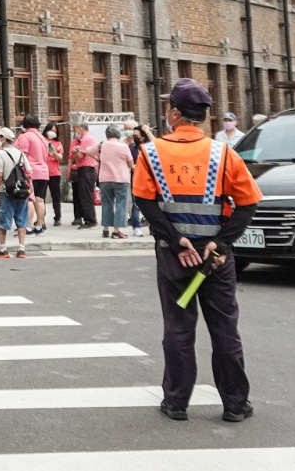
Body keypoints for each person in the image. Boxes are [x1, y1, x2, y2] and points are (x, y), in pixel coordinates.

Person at [133, 78, 263, 424]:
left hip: (175, 259)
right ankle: (236, 403)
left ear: (175, 114)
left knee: (178, 329)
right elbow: (249, 203)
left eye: (167, 107)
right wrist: (220, 243)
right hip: (216, 259)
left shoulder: (151, 152)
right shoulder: (223, 153)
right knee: (224, 330)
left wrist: (176, 240)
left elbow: (145, 200)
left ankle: (176, 402)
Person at [0, 127, 30, 260]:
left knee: (3, 220)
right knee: (22, 220)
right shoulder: (21, 153)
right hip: (21, 191)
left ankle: (3, 248)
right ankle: (21, 249)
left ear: (5, 139)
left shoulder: (1, 154)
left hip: (6, 191)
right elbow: (29, 172)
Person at [97, 123, 135, 239]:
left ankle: (105, 229)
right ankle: (116, 230)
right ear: (118, 134)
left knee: (107, 204)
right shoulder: (123, 146)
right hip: (121, 178)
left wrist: (98, 159)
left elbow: (88, 151)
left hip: (104, 178)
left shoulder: (101, 145)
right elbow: (130, 164)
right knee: (120, 204)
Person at [14, 115, 50, 234]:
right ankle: (40, 226)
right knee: (40, 200)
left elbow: (22, 155)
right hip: (44, 171)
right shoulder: (43, 138)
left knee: (29, 199)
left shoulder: (25, 136)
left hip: (31, 172)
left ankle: (28, 226)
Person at [69, 121, 100, 229]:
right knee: (84, 195)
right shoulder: (85, 139)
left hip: (87, 169)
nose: (75, 132)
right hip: (84, 169)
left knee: (86, 195)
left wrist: (74, 157)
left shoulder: (87, 139)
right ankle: (88, 218)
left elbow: (80, 156)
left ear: (80, 128)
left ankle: (90, 220)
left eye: (75, 129)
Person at [43, 126, 64, 227]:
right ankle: (41, 217)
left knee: (56, 196)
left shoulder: (57, 143)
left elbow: (60, 158)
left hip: (54, 173)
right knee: (40, 197)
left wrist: (53, 151)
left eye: (55, 131)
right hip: (42, 173)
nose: (52, 133)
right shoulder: (41, 141)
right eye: (51, 130)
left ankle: (57, 217)